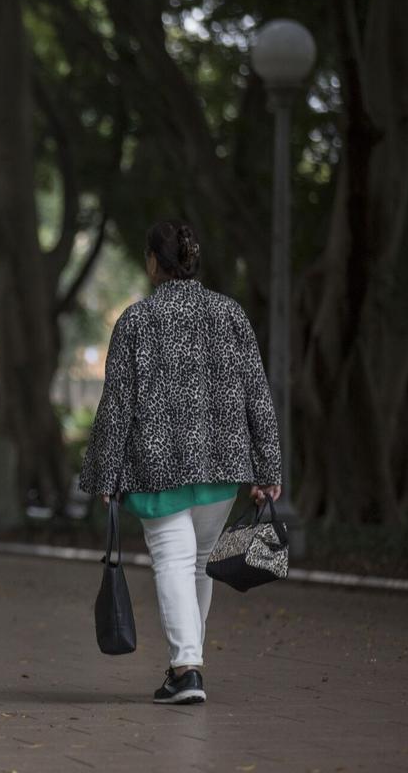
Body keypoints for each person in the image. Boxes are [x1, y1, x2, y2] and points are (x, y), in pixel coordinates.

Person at [79, 220, 281, 706]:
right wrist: (268, 468)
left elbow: (117, 404)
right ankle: (185, 663)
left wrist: (104, 473)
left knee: (174, 559)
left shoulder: (137, 320)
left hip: (157, 465)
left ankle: (187, 668)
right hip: (220, 466)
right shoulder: (229, 313)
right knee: (197, 567)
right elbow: (258, 394)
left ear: (154, 261)